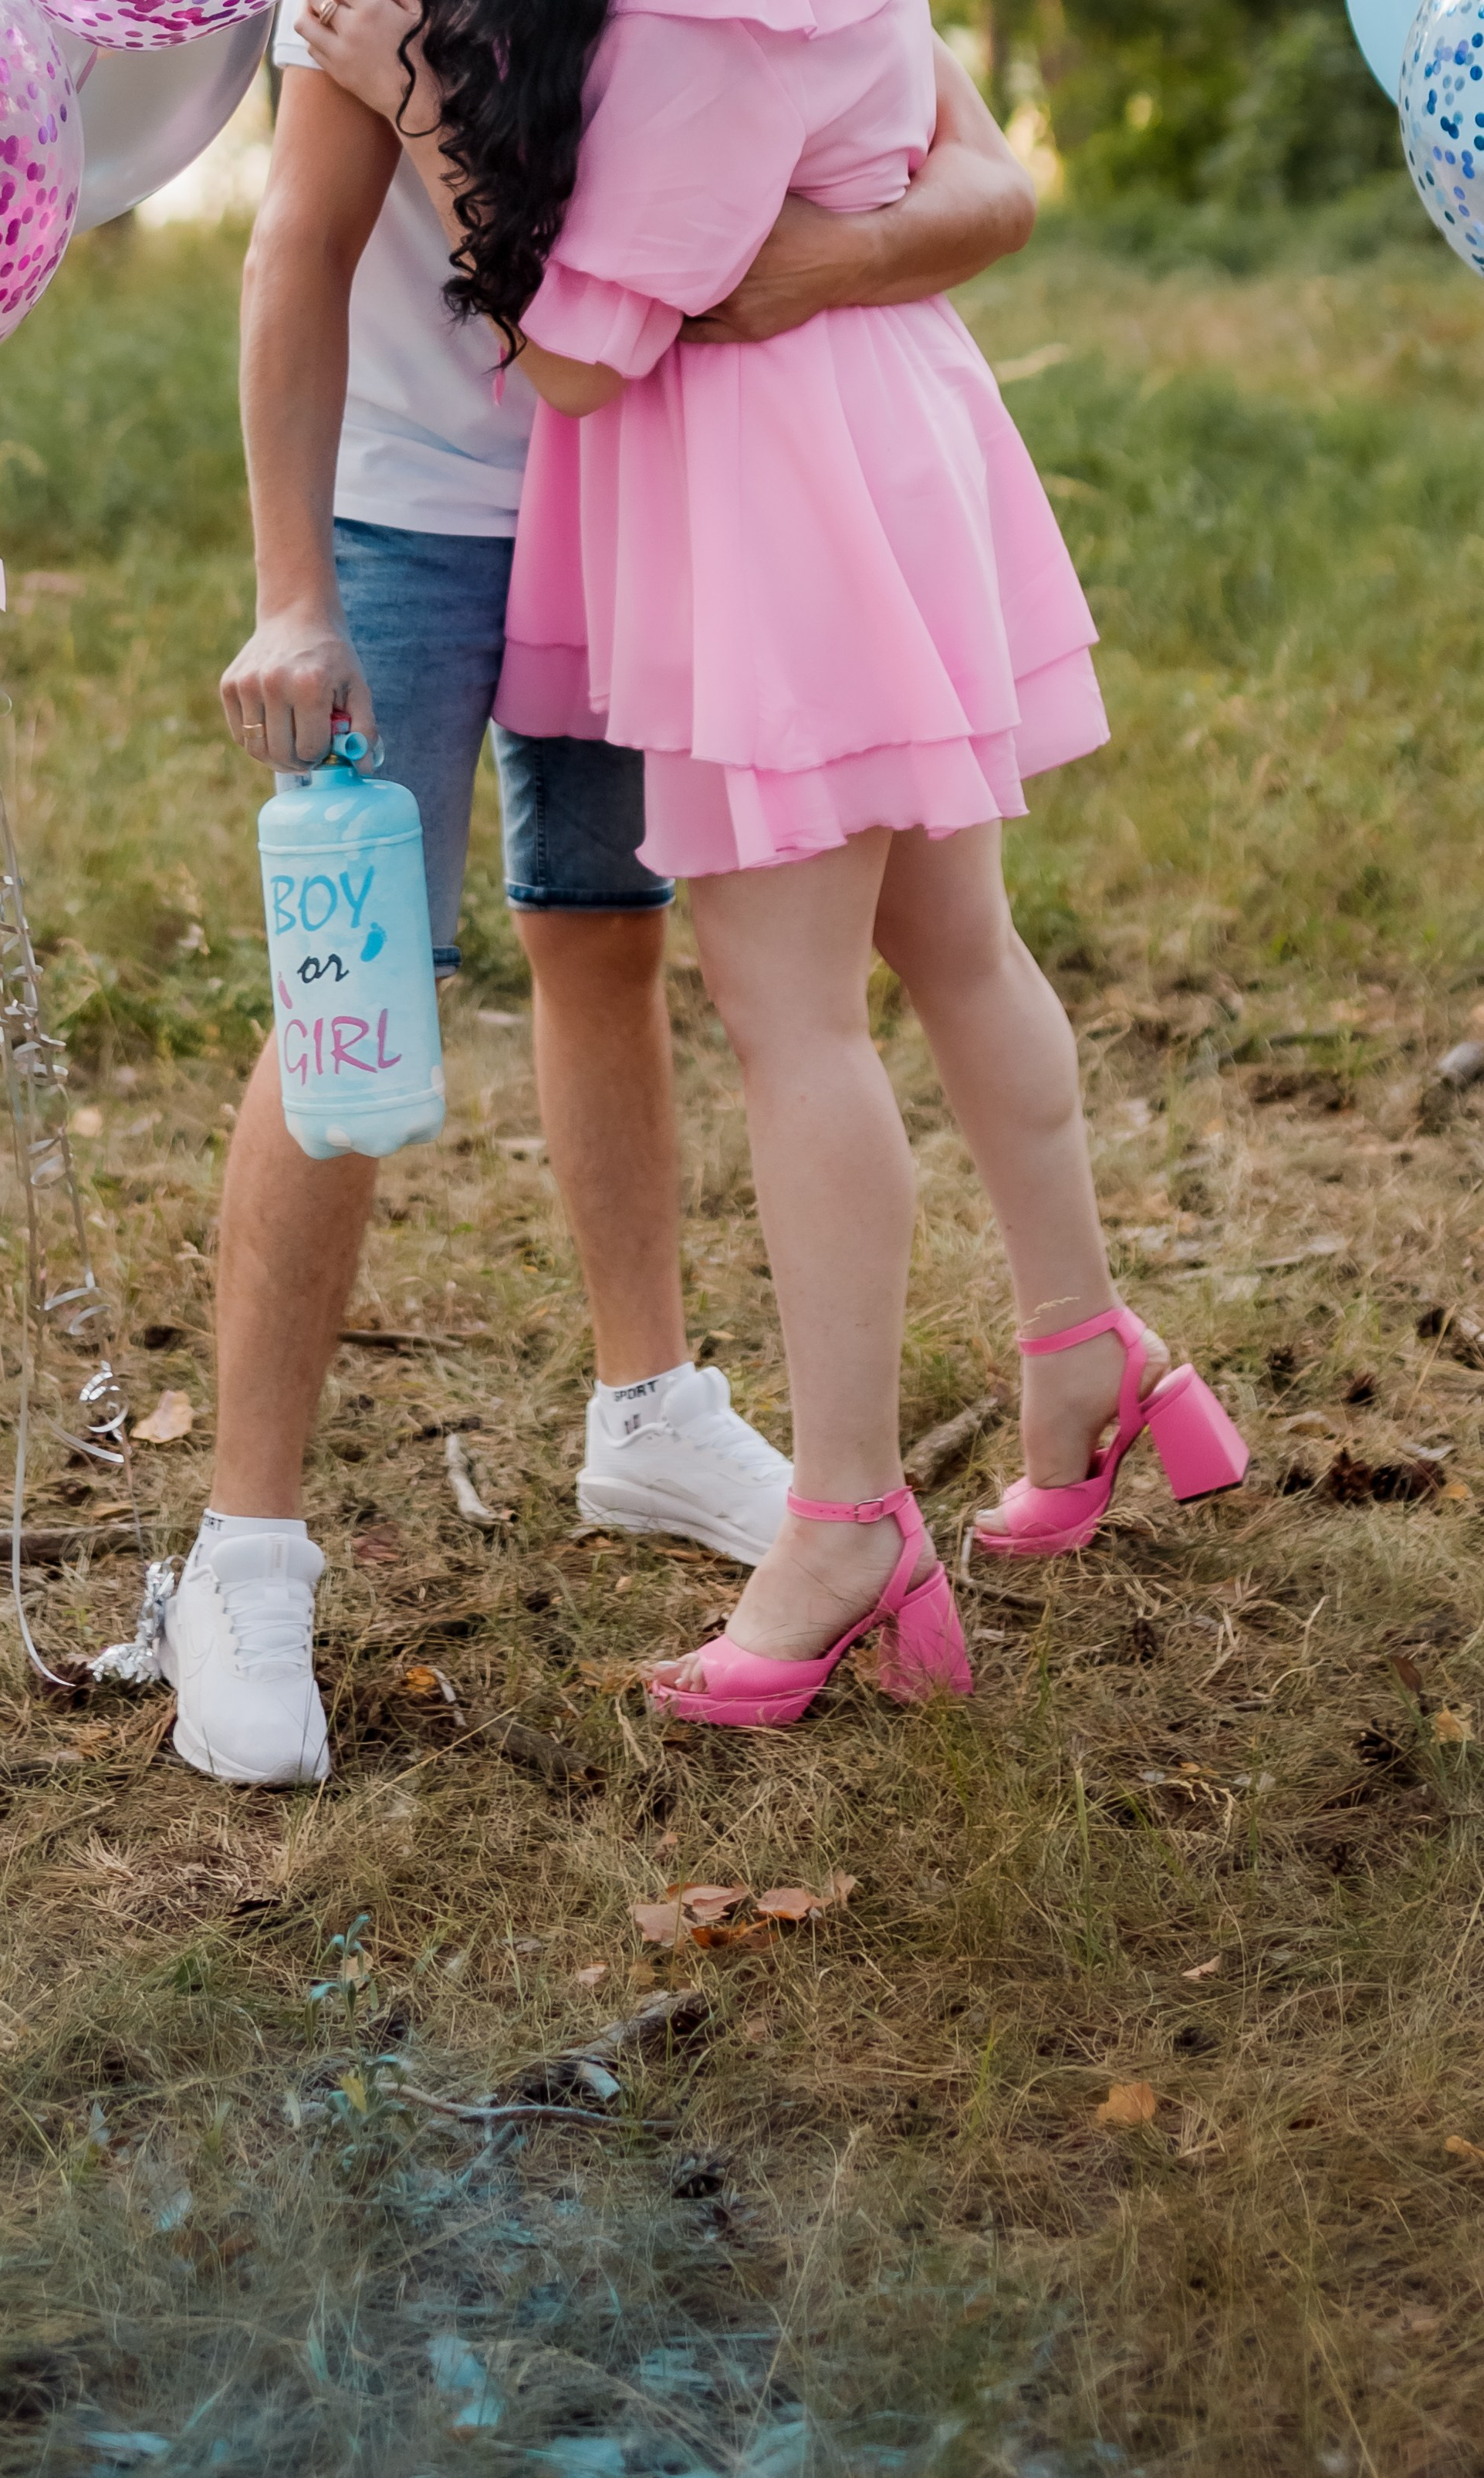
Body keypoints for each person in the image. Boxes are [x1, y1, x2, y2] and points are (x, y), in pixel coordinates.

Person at [306, 0, 1252, 1732]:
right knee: (958, 944)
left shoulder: (693, 32)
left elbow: (584, 356)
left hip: (774, 494)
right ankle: (1084, 1355)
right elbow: (947, 150)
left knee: (790, 1011)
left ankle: (842, 1524)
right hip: (886, 440)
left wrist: (415, 105)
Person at [155, 0, 1043, 1783]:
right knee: (354, 993)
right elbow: (297, 248)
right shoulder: (389, 4)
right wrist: (291, 586)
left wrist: (826, 262)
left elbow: (978, 187)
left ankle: (648, 1407)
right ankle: (245, 1549)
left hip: (655, 494)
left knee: (605, 936)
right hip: (413, 522)